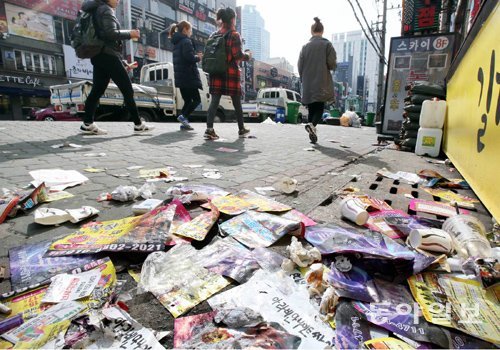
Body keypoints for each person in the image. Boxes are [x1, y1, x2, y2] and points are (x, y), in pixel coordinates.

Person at [80, 0, 154, 135]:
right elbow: (110, 34)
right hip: (107, 55)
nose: (118, 1)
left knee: (97, 90)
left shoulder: (94, 10)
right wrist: (130, 33)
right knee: (127, 89)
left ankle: (87, 123)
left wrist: (122, 61)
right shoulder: (106, 10)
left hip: (98, 55)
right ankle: (138, 124)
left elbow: (103, 36)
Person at [204, 8, 251, 140]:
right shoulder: (234, 35)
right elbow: (237, 55)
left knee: (214, 101)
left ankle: (209, 129)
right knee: (236, 102)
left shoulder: (213, 35)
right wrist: (248, 55)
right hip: (230, 72)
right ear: (232, 19)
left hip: (216, 71)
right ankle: (241, 129)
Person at [298, 17, 337, 143]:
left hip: (308, 82)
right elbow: (331, 63)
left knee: (311, 108)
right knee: (319, 107)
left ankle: (312, 133)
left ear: (312, 31)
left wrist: (303, 78)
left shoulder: (305, 47)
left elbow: (300, 65)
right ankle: (312, 126)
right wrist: (333, 66)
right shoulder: (327, 45)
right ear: (322, 31)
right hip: (321, 81)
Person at [169, 21, 202, 131]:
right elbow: (189, 58)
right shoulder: (186, 41)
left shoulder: (177, 43)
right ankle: (183, 117)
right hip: (189, 77)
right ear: (185, 30)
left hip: (181, 78)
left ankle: (184, 123)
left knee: (188, 101)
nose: (191, 32)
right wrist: (198, 57)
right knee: (197, 100)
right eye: (190, 30)